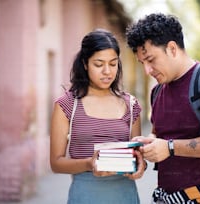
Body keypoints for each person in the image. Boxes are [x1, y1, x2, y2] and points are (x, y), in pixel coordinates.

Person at [126, 13, 200, 204]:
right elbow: (159, 134)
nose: (147, 70)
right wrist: (148, 143)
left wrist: (169, 148)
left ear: (172, 48)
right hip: (166, 197)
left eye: (151, 59)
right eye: (142, 63)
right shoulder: (157, 91)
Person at [50, 28, 146, 204]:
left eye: (113, 63)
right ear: (85, 64)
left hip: (124, 194)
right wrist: (89, 163)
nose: (107, 71)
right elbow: (56, 163)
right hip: (85, 194)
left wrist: (141, 166)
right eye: (99, 64)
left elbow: (137, 157)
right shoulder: (67, 105)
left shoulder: (131, 105)